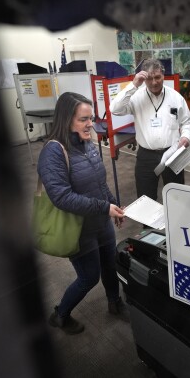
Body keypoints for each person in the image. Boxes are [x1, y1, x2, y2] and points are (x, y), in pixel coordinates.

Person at [37, 92, 127, 335]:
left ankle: (114, 302)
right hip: (78, 230)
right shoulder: (53, 152)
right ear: (66, 120)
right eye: (84, 119)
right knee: (88, 278)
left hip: (101, 222)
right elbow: (62, 197)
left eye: (92, 118)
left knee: (110, 265)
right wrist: (104, 208)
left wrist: (113, 205)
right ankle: (60, 315)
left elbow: (100, 182)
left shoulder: (87, 143)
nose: (91, 124)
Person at [109, 58, 190, 202]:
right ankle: (148, 226)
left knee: (177, 197)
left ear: (163, 76)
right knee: (145, 199)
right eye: (149, 78)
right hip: (145, 157)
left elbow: (186, 122)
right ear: (143, 79)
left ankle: (175, 223)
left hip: (172, 153)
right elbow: (115, 109)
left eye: (157, 77)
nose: (154, 82)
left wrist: (185, 136)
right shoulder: (136, 97)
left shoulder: (175, 97)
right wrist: (134, 84)